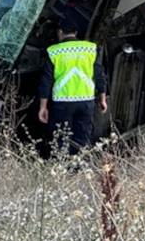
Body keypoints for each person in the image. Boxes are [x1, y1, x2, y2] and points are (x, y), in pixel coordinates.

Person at [37, 19, 108, 155]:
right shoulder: (89, 49)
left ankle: (63, 170)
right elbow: (100, 76)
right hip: (86, 103)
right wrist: (102, 99)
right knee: (83, 139)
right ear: (75, 33)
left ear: (60, 32)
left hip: (62, 104)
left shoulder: (54, 52)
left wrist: (43, 107)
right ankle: (80, 170)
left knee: (61, 140)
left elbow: (46, 81)